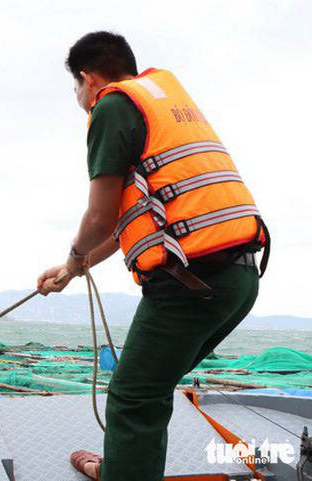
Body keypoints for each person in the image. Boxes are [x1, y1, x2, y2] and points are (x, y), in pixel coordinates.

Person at [37, 31, 268, 481]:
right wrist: (72, 270)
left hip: (192, 284)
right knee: (151, 387)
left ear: (87, 79)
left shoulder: (112, 106)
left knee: (133, 395)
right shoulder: (161, 103)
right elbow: (129, 230)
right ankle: (123, 466)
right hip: (239, 280)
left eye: (77, 89)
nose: (80, 99)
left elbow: (100, 218)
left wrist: (70, 258)